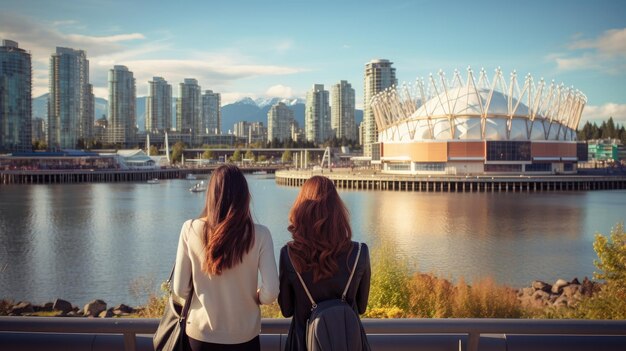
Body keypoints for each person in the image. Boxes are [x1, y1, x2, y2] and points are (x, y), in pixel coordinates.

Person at [173, 164, 279, 351]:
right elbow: (271, 293)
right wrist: (254, 297)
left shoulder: (190, 229)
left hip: (200, 336)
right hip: (245, 337)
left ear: (211, 195)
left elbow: (180, 290)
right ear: (244, 196)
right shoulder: (261, 234)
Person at [278, 175, 371, 351]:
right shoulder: (359, 252)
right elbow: (361, 307)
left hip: (303, 343)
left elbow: (287, 310)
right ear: (337, 209)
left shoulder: (289, 254)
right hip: (348, 343)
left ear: (301, 209)